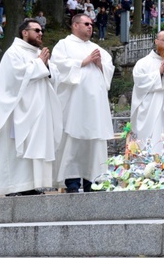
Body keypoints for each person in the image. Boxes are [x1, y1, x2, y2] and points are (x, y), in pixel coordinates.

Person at [0, 19, 62, 196]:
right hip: (17, 112)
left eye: (42, 31)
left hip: (38, 112)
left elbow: (55, 76)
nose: (41, 34)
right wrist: (39, 64)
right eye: (36, 30)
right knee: (16, 150)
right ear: (24, 32)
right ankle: (13, 188)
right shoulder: (13, 53)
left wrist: (45, 65)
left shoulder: (39, 54)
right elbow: (15, 78)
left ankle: (30, 186)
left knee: (33, 151)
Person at [50, 13, 114, 193]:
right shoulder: (64, 45)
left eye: (91, 24)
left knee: (94, 144)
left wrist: (100, 64)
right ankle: (72, 183)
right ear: (75, 25)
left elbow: (108, 72)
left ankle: (93, 182)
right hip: (74, 106)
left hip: (95, 106)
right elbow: (57, 68)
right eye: (86, 23)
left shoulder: (97, 48)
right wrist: (82, 62)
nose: (90, 27)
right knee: (73, 142)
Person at [131, 30, 164, 151]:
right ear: (156, 41)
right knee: (151, 143)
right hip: (150, 109)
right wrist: (158, 73)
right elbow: (139, 82)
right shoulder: (143, 63)